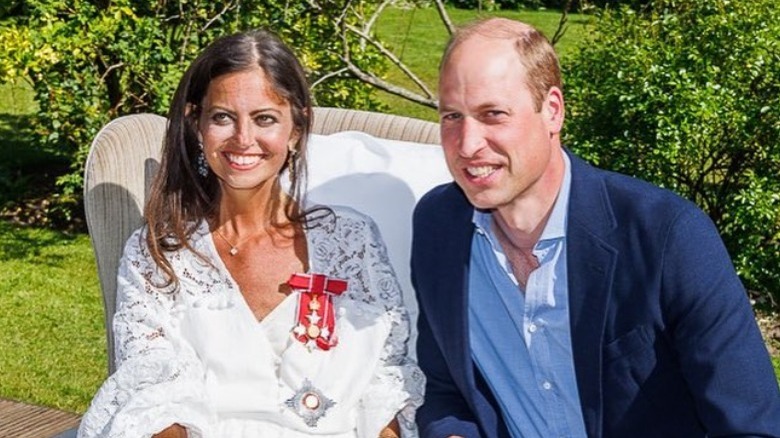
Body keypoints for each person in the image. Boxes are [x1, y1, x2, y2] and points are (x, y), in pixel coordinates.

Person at [411, 17, 780, 438]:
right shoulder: (438, 227)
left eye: (492, 114)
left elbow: (753, 427)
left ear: (552, 110)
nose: (467, 143)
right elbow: (449, 390)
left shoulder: (666, 236)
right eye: (452, 116)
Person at [78, 29, 423, 438]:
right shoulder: (159, 254)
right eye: (223, 117)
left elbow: (383, 381)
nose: (243, 140)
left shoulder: (352, 240)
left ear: (295, 129)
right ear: (197, 124)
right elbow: (152, 391)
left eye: (265, 119)